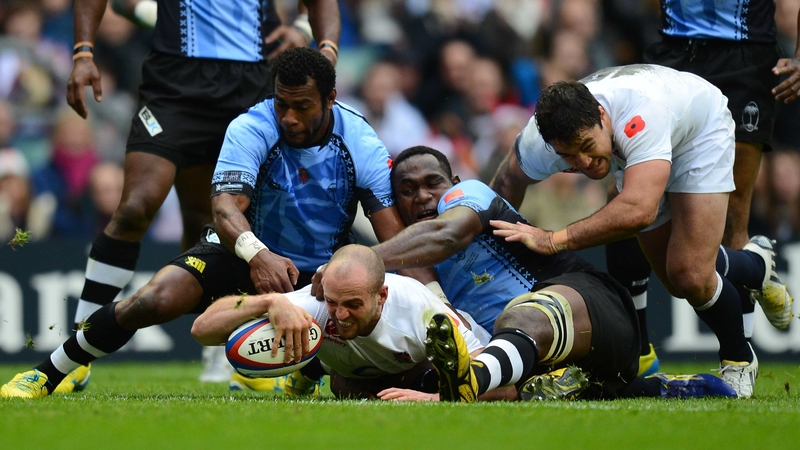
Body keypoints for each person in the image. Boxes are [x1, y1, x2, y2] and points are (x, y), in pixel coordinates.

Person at [0, 47, 412, 399]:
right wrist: (258, 254)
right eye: (281, 103)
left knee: (359, 351)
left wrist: (400, 288)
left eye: (302, 106)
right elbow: (225, 209)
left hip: (318, 272)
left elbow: (393, 238)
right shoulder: (251, 127)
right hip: (242, 249)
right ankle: (46, 373)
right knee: (153, 299)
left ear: (330, 98)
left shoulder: (360, 142)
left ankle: (307, 372)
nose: (288, 117)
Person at [61, 0, 341, 389]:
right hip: (176, 82)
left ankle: (229, 351)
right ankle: (78, 348)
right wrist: (83, 51)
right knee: (135, 208)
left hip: (253, 81)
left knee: (216, 218)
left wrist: (315, 39)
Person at [488, 65, 794, 398]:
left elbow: (638, 211)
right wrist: (488, 255)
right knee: (676, 277)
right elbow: (507, 183)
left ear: (602, 116)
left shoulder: (641, 113)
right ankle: (756, 265)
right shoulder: (539, 141)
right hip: (637, 146)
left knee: (691, 274)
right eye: (568, 156)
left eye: (587, 145)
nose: (584, 163)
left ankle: (738, 359)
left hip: (697, 132)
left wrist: (553, 239)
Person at [370, 146, 736, 402]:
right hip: (536, 356)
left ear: (454, 181)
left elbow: (447, 234)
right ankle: (653, 387)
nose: (422, 196)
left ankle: (472, 383)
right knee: (479, 368)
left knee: (521, 316)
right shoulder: (412, 272)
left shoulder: (470, 195)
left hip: (593, 308)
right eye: (407, 191)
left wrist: (363, 259)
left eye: (432, 182)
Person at [604, 0, 800, 369]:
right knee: (627, 192)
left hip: (744, 57)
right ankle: (639, 350)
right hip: (674, 53)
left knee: (732, 213)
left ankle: (737, 360)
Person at [191, 244, 486, 399]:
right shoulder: (315, 305)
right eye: (333, 302)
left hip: (424, 365)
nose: (340, 314)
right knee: (345, 385)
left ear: (382, 296)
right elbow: (201, 330)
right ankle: (306, 372)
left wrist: (435, 398)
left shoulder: (419, 309)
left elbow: (486, 373)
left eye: (353, 304)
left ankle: (309, 372)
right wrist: (269, 302)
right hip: (359, 369)